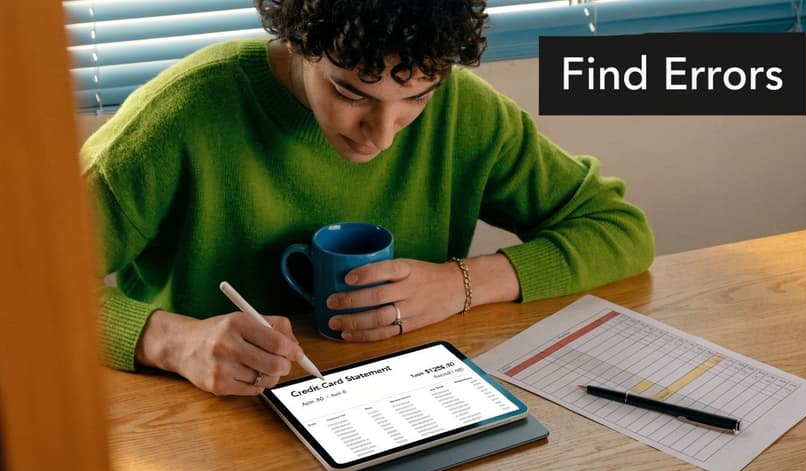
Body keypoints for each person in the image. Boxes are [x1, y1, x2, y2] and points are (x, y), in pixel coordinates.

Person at [81, 0, 655, 396]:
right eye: (350, 93)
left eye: (418, 100)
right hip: (205, 420)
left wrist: (461, 283)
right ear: (299, 42)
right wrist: (172, 341)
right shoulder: (183, 116)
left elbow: (617, 228)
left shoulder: (468, 112)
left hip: (398, 407)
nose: (381, 135)